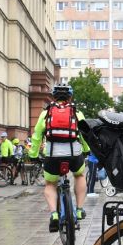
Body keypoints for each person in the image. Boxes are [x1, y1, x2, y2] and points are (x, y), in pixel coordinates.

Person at [29, 84, 90, 231]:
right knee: (79, 175)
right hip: (74, 155)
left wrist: (33, 155)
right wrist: (86, 150)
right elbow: (85, 134)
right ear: (70, 97)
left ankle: (54, 214)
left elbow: (37, 136)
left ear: (54, 97)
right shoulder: (76, 112)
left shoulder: (46, 113)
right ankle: (79, 209)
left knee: (50, 184)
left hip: (52, 155)